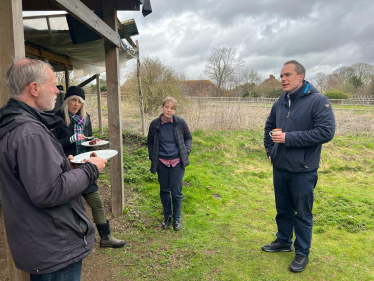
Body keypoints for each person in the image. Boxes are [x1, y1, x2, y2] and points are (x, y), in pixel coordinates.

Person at [0, 58, 107, 280]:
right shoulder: (30, 132)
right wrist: (91, 170)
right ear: (35, 88)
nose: (58, 91)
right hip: (55, 245)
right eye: (53, 85)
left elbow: (30, 177)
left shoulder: (13, 124)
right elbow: (49, 192)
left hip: (37, 240)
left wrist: (65, 165)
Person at [262, 60, 335, 272]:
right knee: (283, 210)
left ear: (300, 76)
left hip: (304, 171)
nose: (283, 79)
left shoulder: (318, 101)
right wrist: (270, 152)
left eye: (287, 75)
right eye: (281, 75)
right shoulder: (280, 102)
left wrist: (288, 138)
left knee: (302, 214)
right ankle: (283, 242)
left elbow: (325, 132)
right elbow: (268, 127)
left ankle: (302, 252)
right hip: (280, 168)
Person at [54, 86, 125, 248]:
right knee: (68, 207)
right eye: (73, 100)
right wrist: (71, 139)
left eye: (79, 101)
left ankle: (106, 237)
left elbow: (88, 142)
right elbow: (53, 145)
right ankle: (70, 243)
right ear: (67, 101)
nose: (76, 104)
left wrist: (93, 143)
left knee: (97, 202)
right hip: (66, 168)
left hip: (85, 167)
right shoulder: (57, 119)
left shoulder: (85, 118)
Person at [147, 97, 192, 231]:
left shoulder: (180, 123)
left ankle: (177, 218)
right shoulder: (155, 124)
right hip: (162, 162)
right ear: (162, 108)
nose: (169, 110)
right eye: (167, 107)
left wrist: (186, 151)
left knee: (176, 191)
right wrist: (152, 156)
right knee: (164, 190)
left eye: (172, 108)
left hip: (177, 162)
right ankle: (167, 216)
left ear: (175, 110)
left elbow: (188, 137)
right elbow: (149, 142)